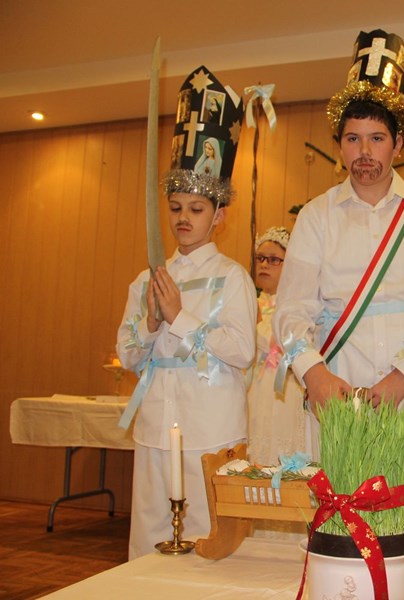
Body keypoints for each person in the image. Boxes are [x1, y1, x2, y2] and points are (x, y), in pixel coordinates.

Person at [273, 30, 404, 539]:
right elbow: (290, 309)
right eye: (353, 138)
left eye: (377, 138)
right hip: (337, 399)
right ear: (340, 145)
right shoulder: (315, 217)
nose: (364, 152)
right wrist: (314, 375)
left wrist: (403, 377)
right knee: (340, 529)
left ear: (399, 144)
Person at [116, 66, 255, 560]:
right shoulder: (146, 279)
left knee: (205, 538)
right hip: (156, 424)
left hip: (210, 428)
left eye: (196, 209)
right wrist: (152, 322)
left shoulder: (232, 277)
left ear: (218, 216)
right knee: (149, 535)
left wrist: (180, 316)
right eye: (175, 207)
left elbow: (242, 351)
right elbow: (128, 356)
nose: (182, 218)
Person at [247, 226, 309, 466]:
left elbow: (284, 343)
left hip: (286, 386)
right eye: (260, 258)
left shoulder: (295, 306)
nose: (264, 265)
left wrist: (257, 327)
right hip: (255, 384)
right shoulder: (250, 302)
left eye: (274, 260)